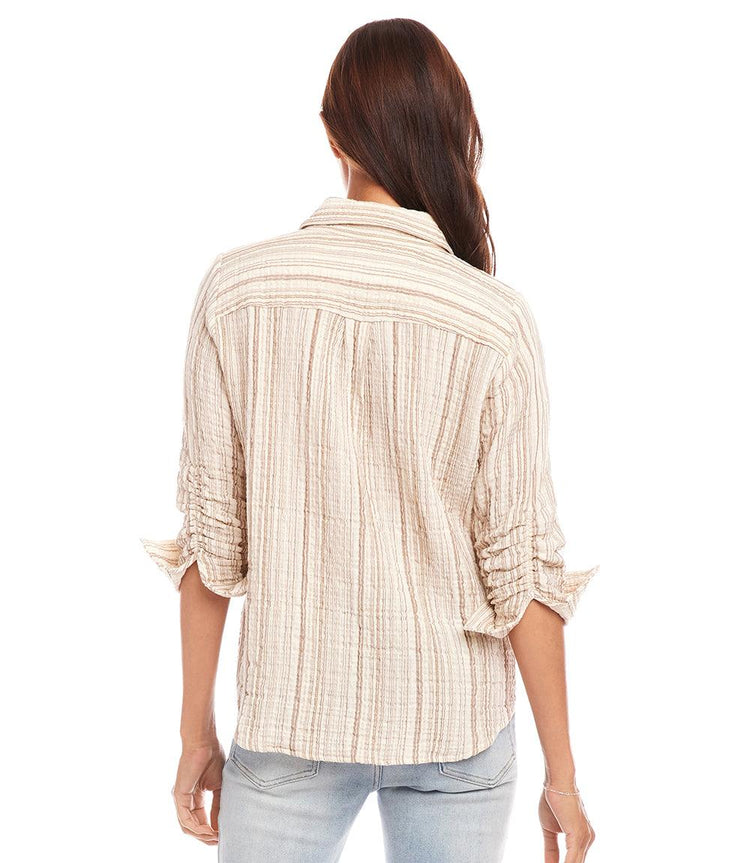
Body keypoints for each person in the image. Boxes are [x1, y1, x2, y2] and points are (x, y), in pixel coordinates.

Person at [140, 17, 598, 863]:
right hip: (455, 724)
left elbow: (212, 537)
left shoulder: (237, 291)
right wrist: (562, 776)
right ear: (454, 136)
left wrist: (195, 730)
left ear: (332, 133)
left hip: (292, 718)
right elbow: (521, 567)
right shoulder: (493, 319)